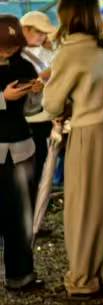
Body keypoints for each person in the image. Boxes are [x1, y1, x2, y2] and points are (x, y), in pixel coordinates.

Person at [42, 0, 103, 298]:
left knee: (85, 206)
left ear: (67, 17)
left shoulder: (70, 52)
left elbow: (52, 104)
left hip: (90, 132)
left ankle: (83, 278)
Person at [0, 15, 41, 291]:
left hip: (21, 147)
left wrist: (35, 92)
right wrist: (3, 98)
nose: (8, 51)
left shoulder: (25, 65)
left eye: (13, 46)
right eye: (3, 46)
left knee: (21, 214)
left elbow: (33, 109)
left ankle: (21, 275)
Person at [19, 10, 55, 219]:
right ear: (25, 30)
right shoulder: (10, 56)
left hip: (42, 118)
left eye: (44, 33)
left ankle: (33, 217)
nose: (42, 37)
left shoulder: (51, 55)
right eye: (38, 32)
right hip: (17, 120)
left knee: (38, 167)